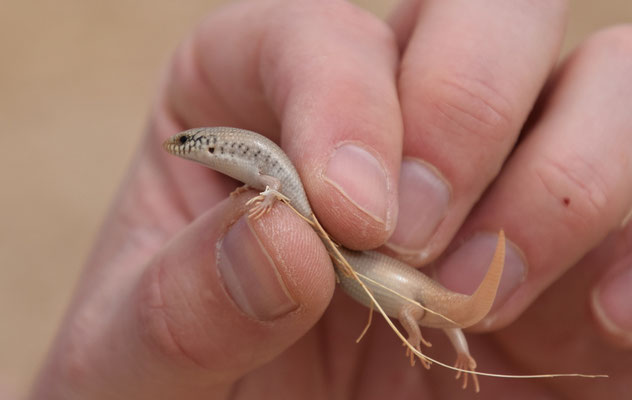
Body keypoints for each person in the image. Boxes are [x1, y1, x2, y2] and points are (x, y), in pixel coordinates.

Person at [30, 0, 632, 398]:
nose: (183, 147)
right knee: (434, 310)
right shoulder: (256, 177)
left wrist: (454, 350)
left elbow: (438, 316)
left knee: (438, 309)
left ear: (210, 143)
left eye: (191, 143)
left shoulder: (258, 166)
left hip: (394, 286)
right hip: (377, 285)